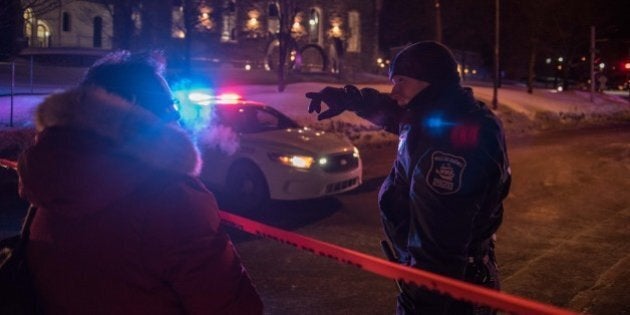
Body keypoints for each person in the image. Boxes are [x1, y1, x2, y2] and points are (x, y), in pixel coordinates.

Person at [17, 51, 263, 314]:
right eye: (171, 105)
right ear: (132, 107)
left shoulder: (51, 181)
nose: (178, 117)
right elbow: (233, 307)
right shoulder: (172, 199)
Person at [306, 41, 511, 314]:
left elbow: (439, 246)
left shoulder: (448, 144)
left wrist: (420, 304)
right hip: (454, 284)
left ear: (431, 82)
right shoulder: (443, 113)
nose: (394, 90)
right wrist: (350, 99)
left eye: (401, 80)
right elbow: (393, 111)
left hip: (447, 296)